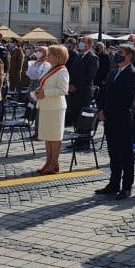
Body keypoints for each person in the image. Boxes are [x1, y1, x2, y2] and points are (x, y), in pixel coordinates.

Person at [95, 44, 135, 199]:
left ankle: (126, 187)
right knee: (113, 153)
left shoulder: (134, 75)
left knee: (126, 154)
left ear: (129, 56)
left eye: (120, 53)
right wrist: (101, 109)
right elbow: (103, 93)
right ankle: (113, 183)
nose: (117, 55)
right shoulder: (113, 73)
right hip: (108, 118)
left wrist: (107, 111)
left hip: (122, 119)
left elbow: (125, 99)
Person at [36, 45, 70, 174]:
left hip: (56, 108)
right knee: (47, 136)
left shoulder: (62, 70)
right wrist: (39, 91)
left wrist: (45, 92)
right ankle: (48, 161)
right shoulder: (51, 69)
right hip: (46, 106)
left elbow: (63, 90)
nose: (47, 56)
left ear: (57, 57)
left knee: (54, 137)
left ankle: (54, 163)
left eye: (49, 54)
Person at [66, 36, 99, 133]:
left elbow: (89, 77)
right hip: (74, 92)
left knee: (83, 117)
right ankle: (77, 139)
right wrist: (70, 84)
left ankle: (84, 141)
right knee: (76, 115)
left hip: (83, 92)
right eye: (80, 41)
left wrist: (76, 86)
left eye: (83, 42)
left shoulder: (93, 57)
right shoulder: (79, 56)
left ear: (90, 44)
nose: (81, 43)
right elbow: (73, 72)